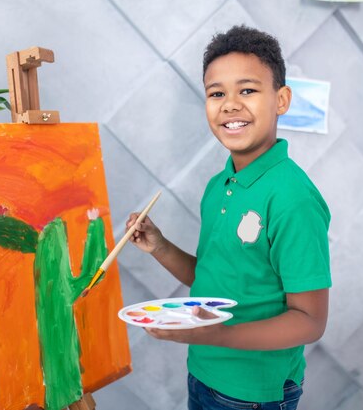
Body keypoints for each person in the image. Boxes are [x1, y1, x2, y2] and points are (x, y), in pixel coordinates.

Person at [126, 25, 331, 410]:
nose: (230, 104)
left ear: (282, 99)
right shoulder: (220, 185)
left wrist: (216, 335)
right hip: (204, 373)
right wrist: (160, 247)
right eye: (216, 93)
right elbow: (213, 281)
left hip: (253, 393)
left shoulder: (292, 197)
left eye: (248, 90)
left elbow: (310, 321)